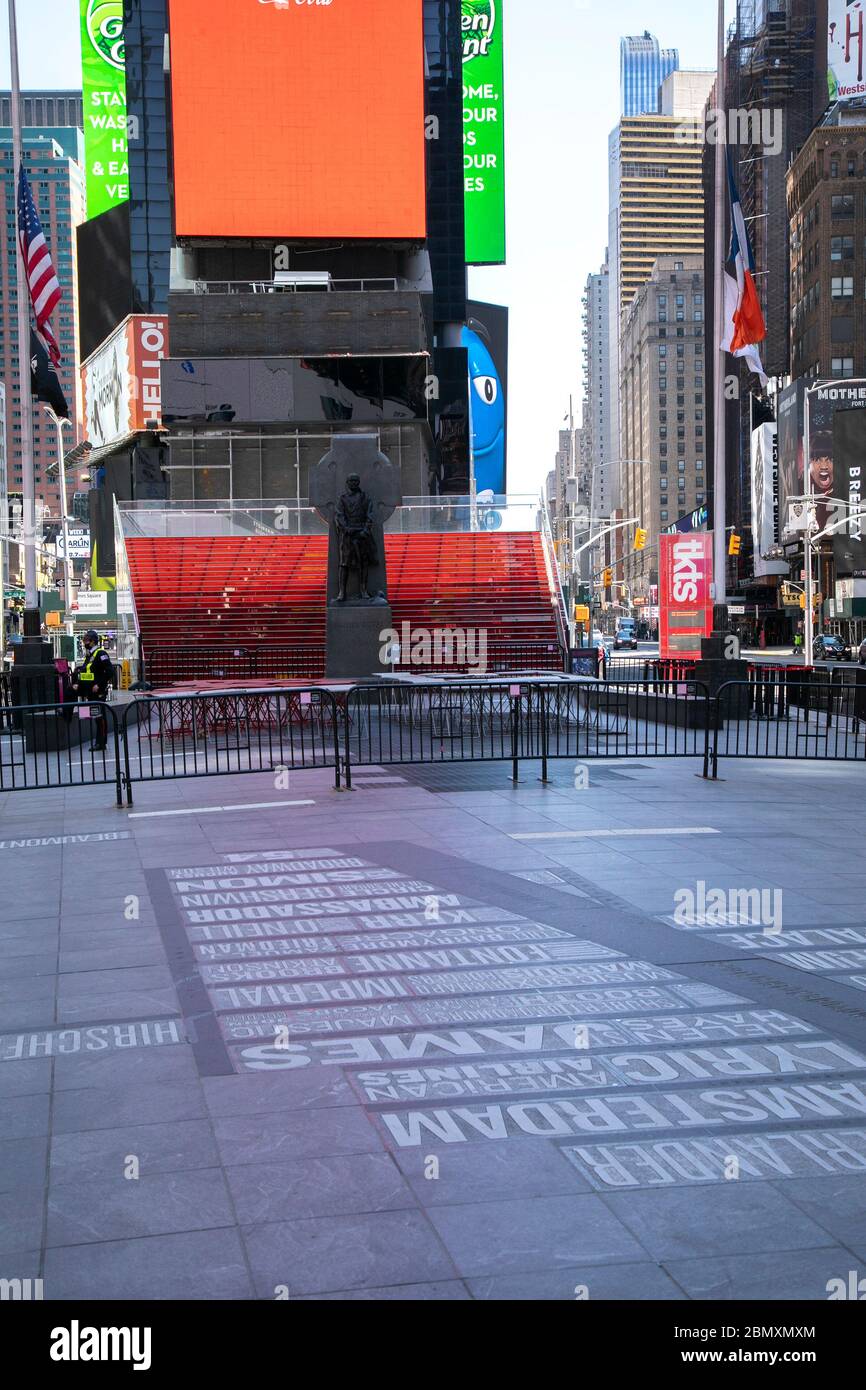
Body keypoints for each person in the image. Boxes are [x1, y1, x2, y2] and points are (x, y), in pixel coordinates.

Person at [70, 630, 113, 750]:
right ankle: (65, 713)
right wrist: (78, 684)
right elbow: (85, 671)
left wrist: (99, 685)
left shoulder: (101, 653)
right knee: (93, 716)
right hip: (88, 691)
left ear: (93, 641)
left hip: (97, 692)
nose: (84, 643)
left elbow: (110, 672)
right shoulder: (89, 655)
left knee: (99, 717)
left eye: (86, 640)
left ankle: (101, 743)